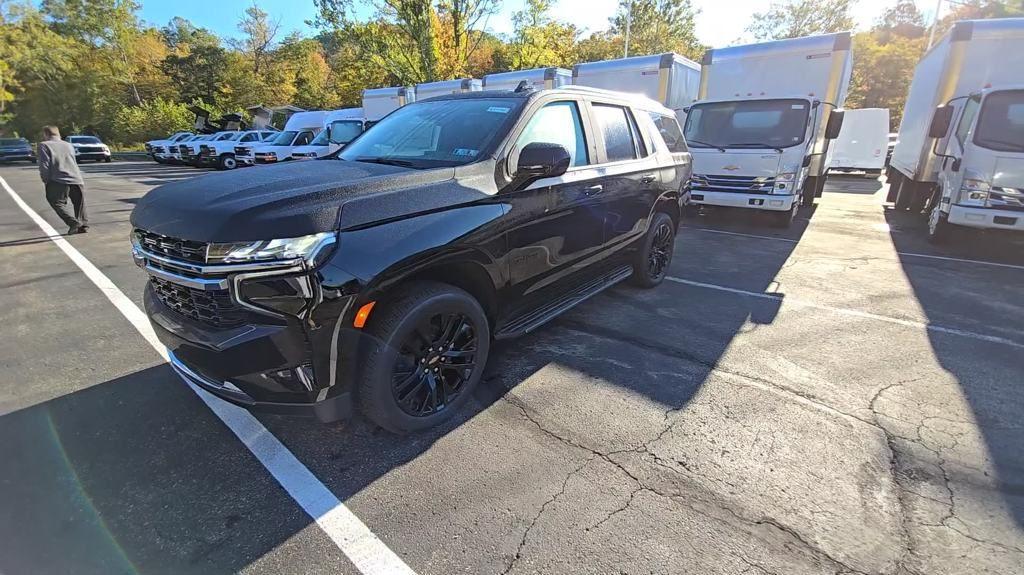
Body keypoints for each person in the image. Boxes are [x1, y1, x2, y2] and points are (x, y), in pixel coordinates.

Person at [37, 125, 88, 234]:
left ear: (46, 134)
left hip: (58, 179)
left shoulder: (44, 145)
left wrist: (46, 179)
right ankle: (83, 225)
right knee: (79, 203)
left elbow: (44, 165)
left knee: (56, 202)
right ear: (58, 134)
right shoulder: (68, 145)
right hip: (76, 178)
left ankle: (73, 223)